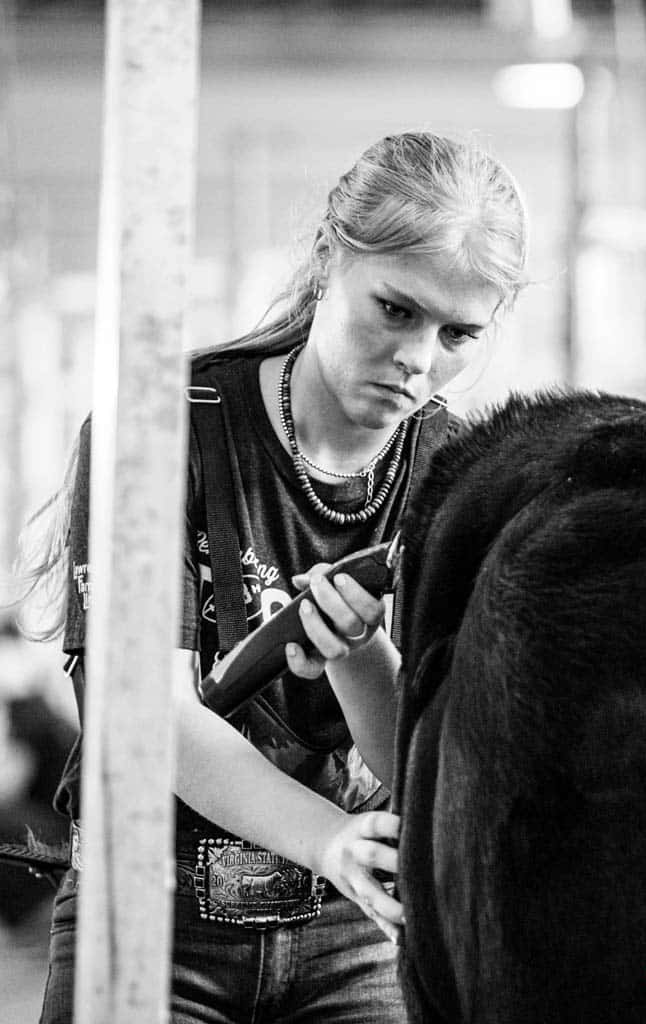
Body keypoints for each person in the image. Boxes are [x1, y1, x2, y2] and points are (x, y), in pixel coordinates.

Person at [15, 130, 528, 1024]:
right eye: (396, 310)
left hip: (357, 922)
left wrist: (359, 658)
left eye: (459, 334)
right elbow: (148, 719)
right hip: (150, 903)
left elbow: (418, 762)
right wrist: (327, 838)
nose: (420, 358)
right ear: (332, 258)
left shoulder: (459, 466)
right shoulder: (161, 428)